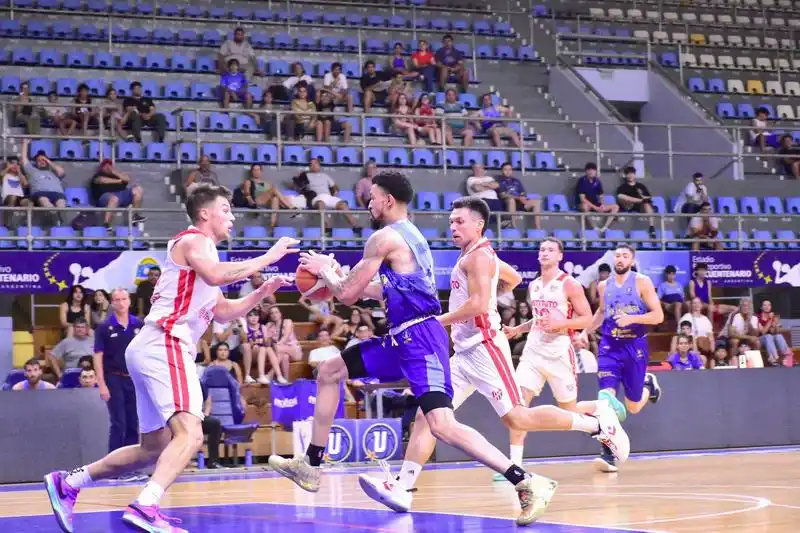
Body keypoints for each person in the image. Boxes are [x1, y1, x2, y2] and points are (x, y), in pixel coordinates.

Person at [268, 177, 627, 526]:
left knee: (481, 420)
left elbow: (348, 295)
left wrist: (329, 274)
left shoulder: (401, 241)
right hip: (416, 338)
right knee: (333, 371)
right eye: (451, 219)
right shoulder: (421, 241)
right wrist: (338, 278)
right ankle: (323, 467)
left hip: (443, 341)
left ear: (388, 200)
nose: (369, 202)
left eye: (373, 197)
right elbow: (388, 290)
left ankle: (535, 472)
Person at [44, 184, 298, 533]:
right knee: (191, 434)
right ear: (205, 213)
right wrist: (269, 257)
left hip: (150, 348)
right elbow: (216, 274)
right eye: (226, 209)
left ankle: (70, 482)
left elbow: (222, 312)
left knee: (154, 447)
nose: (233, 216)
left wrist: (261, 292)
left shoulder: (202, 259)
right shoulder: (196, 241)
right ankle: (146, 505)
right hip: (167, 344)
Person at [498, 237, 617, 481]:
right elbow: (539, 320)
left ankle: (600, 408)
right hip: (533, 352)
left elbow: (587, 318)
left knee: (569, 411)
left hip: (559, 352)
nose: (544, 253)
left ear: (560, 256)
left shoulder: (570, 284)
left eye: (550, 250)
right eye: (542, 249)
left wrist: (561, 324)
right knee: (518, 407)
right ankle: (514, 466)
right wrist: (517, 330)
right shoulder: (534, 285)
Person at [582, 244, 664, 473]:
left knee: (634, 406)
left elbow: (658, 316)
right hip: (609, 346)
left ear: (632, 260)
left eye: (624, 256)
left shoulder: (642, 282)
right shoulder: (603, 285)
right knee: (604, 399)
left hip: (634, 347)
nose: (620, 259)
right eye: (617, 256)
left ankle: (649, 384)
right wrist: (584, 332)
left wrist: (633, 319)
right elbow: (600, 312)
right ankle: (607, 453)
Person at [94, 288, 144, 456]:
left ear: (129, 301)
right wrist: (101, 384)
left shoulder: (139, 324)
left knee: (133, 423)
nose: (121, 303)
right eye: (117, 299)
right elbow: (98, 356)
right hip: (113, 378)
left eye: (124, 299)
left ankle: (131, 465)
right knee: (119, 423)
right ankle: (113, 465)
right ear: (112, 303)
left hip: (134, 380)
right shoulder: (104, 327)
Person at [757, 299, 792, 366]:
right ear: (761, 307)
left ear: (771, 307)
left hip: (773, 337)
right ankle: (774, 359)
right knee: (768, 336)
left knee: (779, 336)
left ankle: (788, 357)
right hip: (762, 339)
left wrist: (775, 325)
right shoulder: (758, 317)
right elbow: (763, 332)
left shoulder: (775, 316)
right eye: (765, 305)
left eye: (769, 305)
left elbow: (776, 330)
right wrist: (770, 320)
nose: (767, 306)